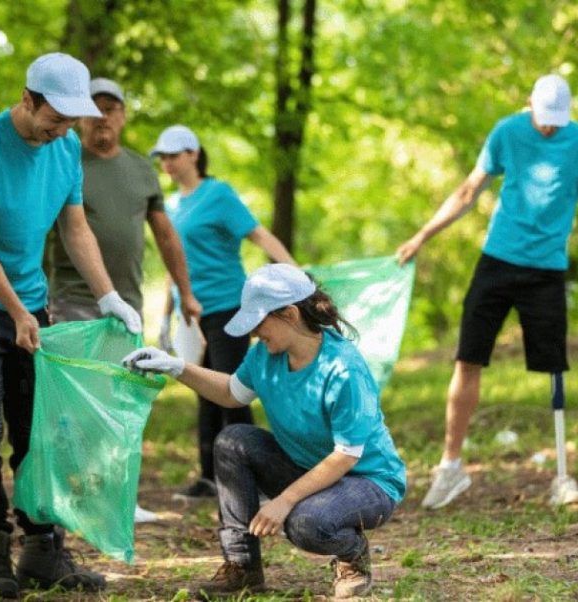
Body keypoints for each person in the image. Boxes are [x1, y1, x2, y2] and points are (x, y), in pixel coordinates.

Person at [0, 53, 142, 598]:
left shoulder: (66, 147)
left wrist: (109, 296)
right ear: (28, 99)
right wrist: (16, 312)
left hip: (29, 301)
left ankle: (44, 549)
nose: (62, 131)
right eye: (54, 119)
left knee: (40, 431)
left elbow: (75, 228)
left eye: (71, 121)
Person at [396, 73, 578, 510]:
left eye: (556, 120)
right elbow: (468, 191)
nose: (548, 127)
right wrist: (421, 236)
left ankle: (561, 476)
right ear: (530, 104)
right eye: (544, 118)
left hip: (546, 270)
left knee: (554, 367)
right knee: (468, 358)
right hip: (497, 261)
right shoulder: (507, 132)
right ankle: (450, 468)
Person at [123, 264, 405, 599]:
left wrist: (284, 500)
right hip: (308, 467)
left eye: (259, 323)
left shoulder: (343, 368)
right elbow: (231, 393)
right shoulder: (265, 356)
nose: (255, 333)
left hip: (367, 481)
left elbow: (346, 456)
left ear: (289, 314)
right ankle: (242, 568)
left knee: (305, 523)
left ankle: (352, 554)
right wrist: (176, 367)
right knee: (233, 441)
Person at [47, 78, 201, 523]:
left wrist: (186, 292)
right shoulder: (62, 160)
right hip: (71, 300)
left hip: (126, 306)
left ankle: (116, 496)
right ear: (80, 116)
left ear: (123, 115)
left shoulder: (140, 169)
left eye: (111, 108)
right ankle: (67, 496)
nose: (103, 117)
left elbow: (166, 235)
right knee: (76, 404)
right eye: (94, 108)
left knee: (119, 400)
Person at [150, 124, 296, 500]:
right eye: (162, 157)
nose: (167, 162)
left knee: (233, 390)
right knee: (204, 391)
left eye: (173, 155)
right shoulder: (170, 205)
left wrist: (295, 273)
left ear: (193, 154)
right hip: (192, 315)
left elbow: (258, 234)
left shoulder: (218, 194)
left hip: (227, 306)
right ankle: (210, 478)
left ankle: (259, 479)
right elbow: (172, 264)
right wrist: (166, 315)